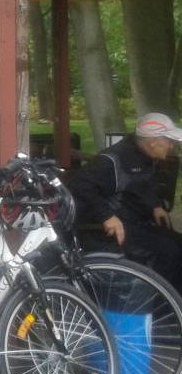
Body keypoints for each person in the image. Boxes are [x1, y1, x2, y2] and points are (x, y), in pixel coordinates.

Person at [68, 113, 182, 291]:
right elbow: (79, 185)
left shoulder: (146, 157)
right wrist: (107, 216)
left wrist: (155, 205)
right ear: (153, 141)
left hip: (135, 223)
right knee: (168, 251)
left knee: (177, 242)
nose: (172, 146)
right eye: (169, 141)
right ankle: (163, 303)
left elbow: (143, 186)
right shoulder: (113, 160)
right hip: (107, 232)